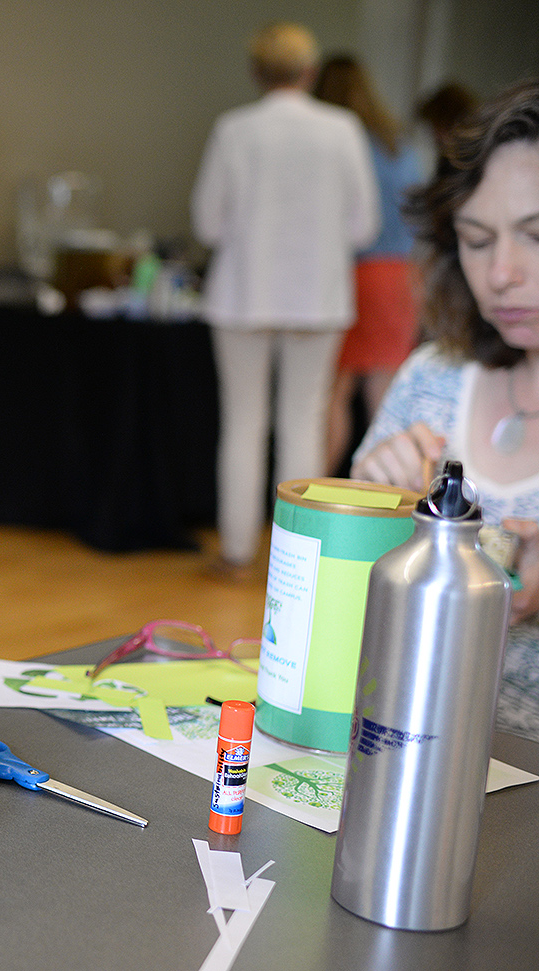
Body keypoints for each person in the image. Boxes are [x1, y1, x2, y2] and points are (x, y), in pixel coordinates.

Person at [351, 79, 539, 743]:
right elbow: (347, 621)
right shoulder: (430, 378)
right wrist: (372, 513)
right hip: (405, 749)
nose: (503, 273)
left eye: (535, 234)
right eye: (478, 239)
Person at [191, 23, 379, 581]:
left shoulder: (234, 129)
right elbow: (364, 225)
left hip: (243, 294)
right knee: (304, 420)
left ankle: (235, 551)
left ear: (256, 73)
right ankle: (297, 556)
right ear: (310, 71)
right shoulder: (342, 128)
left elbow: (207, 221)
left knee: (243, 423)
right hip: (317, 296)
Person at [314, 55, 427, 472]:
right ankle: (387, 501)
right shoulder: (398, 141)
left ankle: (320, 494)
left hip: (353, 273)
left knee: (334, 395)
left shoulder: (336, 141)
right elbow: (420, 214)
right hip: (402, 274)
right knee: (387, 397)